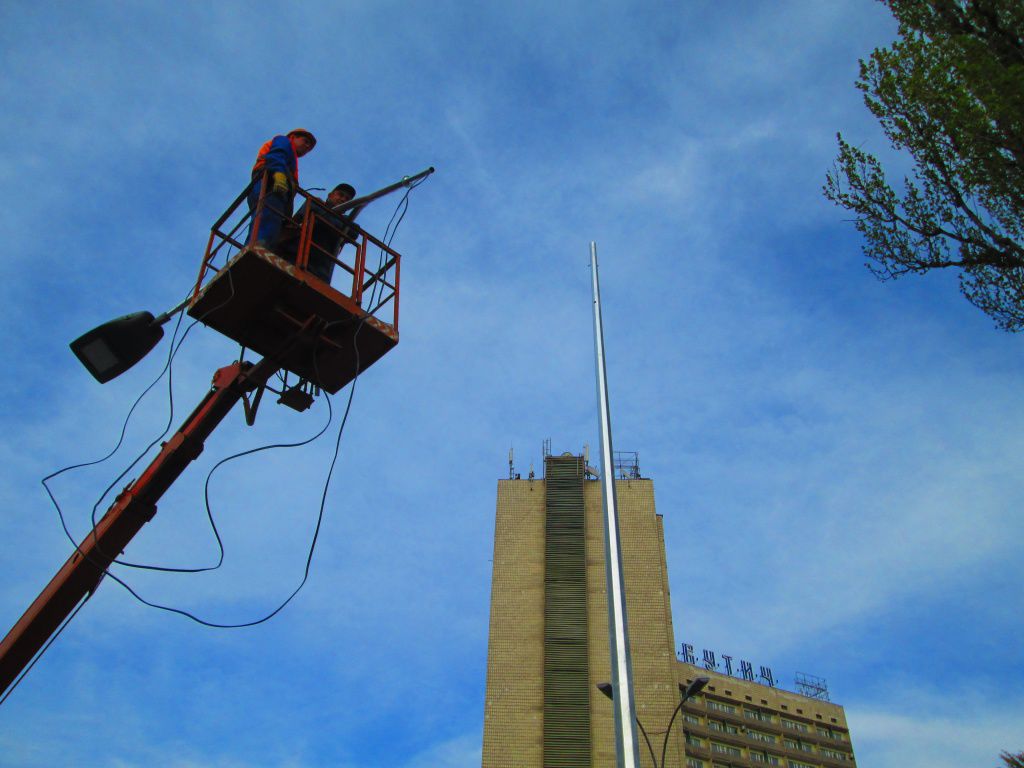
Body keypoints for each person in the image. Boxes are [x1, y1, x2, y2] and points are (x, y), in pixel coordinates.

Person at [247, 128, 316, 247]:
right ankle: (259, 246)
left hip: (275, 189)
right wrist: (279, 174)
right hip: (270, 184)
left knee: (267, 219)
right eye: (305, 141)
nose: (307, 147)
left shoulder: (292, 158)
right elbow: (276, 156)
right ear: (293, 137)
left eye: (309, 147)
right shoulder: (284, 141)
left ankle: (257, 245)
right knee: (267, 216)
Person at [285, 182, 359, 283]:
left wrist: (331, 218)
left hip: (321, 271)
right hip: (294, 257)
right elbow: (298, 219)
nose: (343, 199)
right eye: (341, 195)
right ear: (330, 195)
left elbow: (354, 233)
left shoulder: (347, 223)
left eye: (347, 199)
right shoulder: (315, 203)